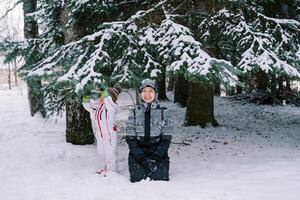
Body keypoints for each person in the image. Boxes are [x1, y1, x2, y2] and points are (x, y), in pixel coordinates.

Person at [125, 78, 172, 182]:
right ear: (141, 93)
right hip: (138, 153)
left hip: (158, 152)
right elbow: (130, 138)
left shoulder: (164, 112)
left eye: (150, 91)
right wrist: (142, 158)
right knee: (138, 179)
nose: (147, 94)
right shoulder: (134, 112)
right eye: (144, 91)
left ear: (155, 93)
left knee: (160, 179)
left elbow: (166, 138)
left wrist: (156, 156)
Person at [82, 84, 121, 176]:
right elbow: (88, 106)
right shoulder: (97, 108)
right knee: (101, 151)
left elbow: (109, 102)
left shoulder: (111, 108)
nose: (101, 99)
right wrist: (86, 96)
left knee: (110, 152)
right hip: (100, 134)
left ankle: (112, 170)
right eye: (101, 97)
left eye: (104, 97)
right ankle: (104, 167)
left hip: (109, 134)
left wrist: (105, 93)